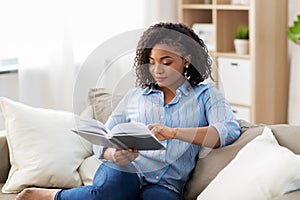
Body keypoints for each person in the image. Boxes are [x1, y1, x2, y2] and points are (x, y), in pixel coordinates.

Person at [16, 22, 241, 200]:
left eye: (166, 61)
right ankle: (52, 196)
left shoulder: (205, 95)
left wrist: (173, 132)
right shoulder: (136, 96)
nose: (156, 70)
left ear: (186, 61)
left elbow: (228, 130)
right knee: (114, 191)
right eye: (151, 61)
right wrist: (113, 154)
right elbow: (104, 137)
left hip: (167, 183)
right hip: (125, 170)